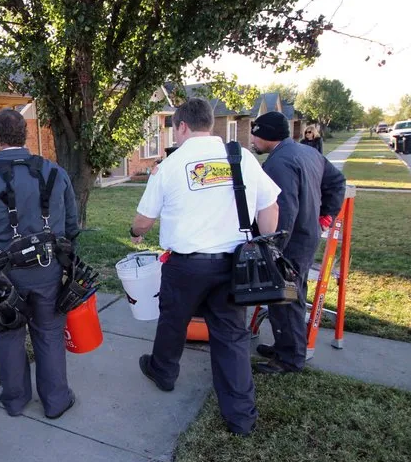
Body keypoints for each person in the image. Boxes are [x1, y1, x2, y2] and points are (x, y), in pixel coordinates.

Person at [129, 98, 280, 436]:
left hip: (185, 266)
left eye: (175, 130)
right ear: (209, 124)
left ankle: (163, 372)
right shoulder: (241, 157)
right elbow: (270, 205)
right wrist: (265, 246)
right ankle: (241, 417)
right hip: (234, 263)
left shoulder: (170, 165)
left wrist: (135, 232)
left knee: (173, 321)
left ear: (181, 126)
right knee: (231, 336)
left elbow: (143, 220)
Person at [0, 108, 78, 419]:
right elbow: (73, 225)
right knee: (49, 332)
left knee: (8, 333)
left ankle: (15, 400)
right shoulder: (54, 172)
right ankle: (56, 401)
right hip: (48, 270)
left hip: (1, 278)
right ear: (24, 135)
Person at [250, 111, 346, 374]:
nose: (253, 139)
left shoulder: (278, 164)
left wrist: (272, 251)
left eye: (255, 133)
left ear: (266, 135)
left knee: (285, 298)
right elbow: (337, 181)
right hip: (305, 237)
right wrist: (325, 216)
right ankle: (286, 345)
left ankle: (290, 359)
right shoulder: (307, 152)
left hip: (289, 243)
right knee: (292, 295)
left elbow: (283, 211)